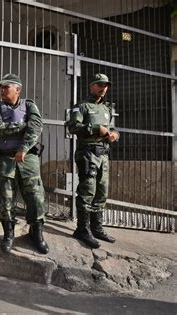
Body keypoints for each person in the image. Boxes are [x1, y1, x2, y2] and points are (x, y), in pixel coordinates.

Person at [0, 73, 49, 254]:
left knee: (36, 197)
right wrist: (23, 125)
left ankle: (37, 234)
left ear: (18, 89)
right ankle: (9, 235)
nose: (2, 90)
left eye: (7, 87)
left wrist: (23, 148)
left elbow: (36, 127)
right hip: (5, 159)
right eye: (1, 87)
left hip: (27, 158)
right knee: (6, 199)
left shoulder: (29, 105)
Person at [66, 73, 119, 248]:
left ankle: (96, 228)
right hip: (88, 154)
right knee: (87, 191)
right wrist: (97, 129)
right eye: (100, 85)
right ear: (91, 86)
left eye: (106, 85)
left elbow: (111, 128)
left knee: (102, 192)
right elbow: (73, 127)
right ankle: (82, 229)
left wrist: (114, 134)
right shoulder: (81, 106)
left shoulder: (106, 109)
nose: (104, 88)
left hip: (103, 154)